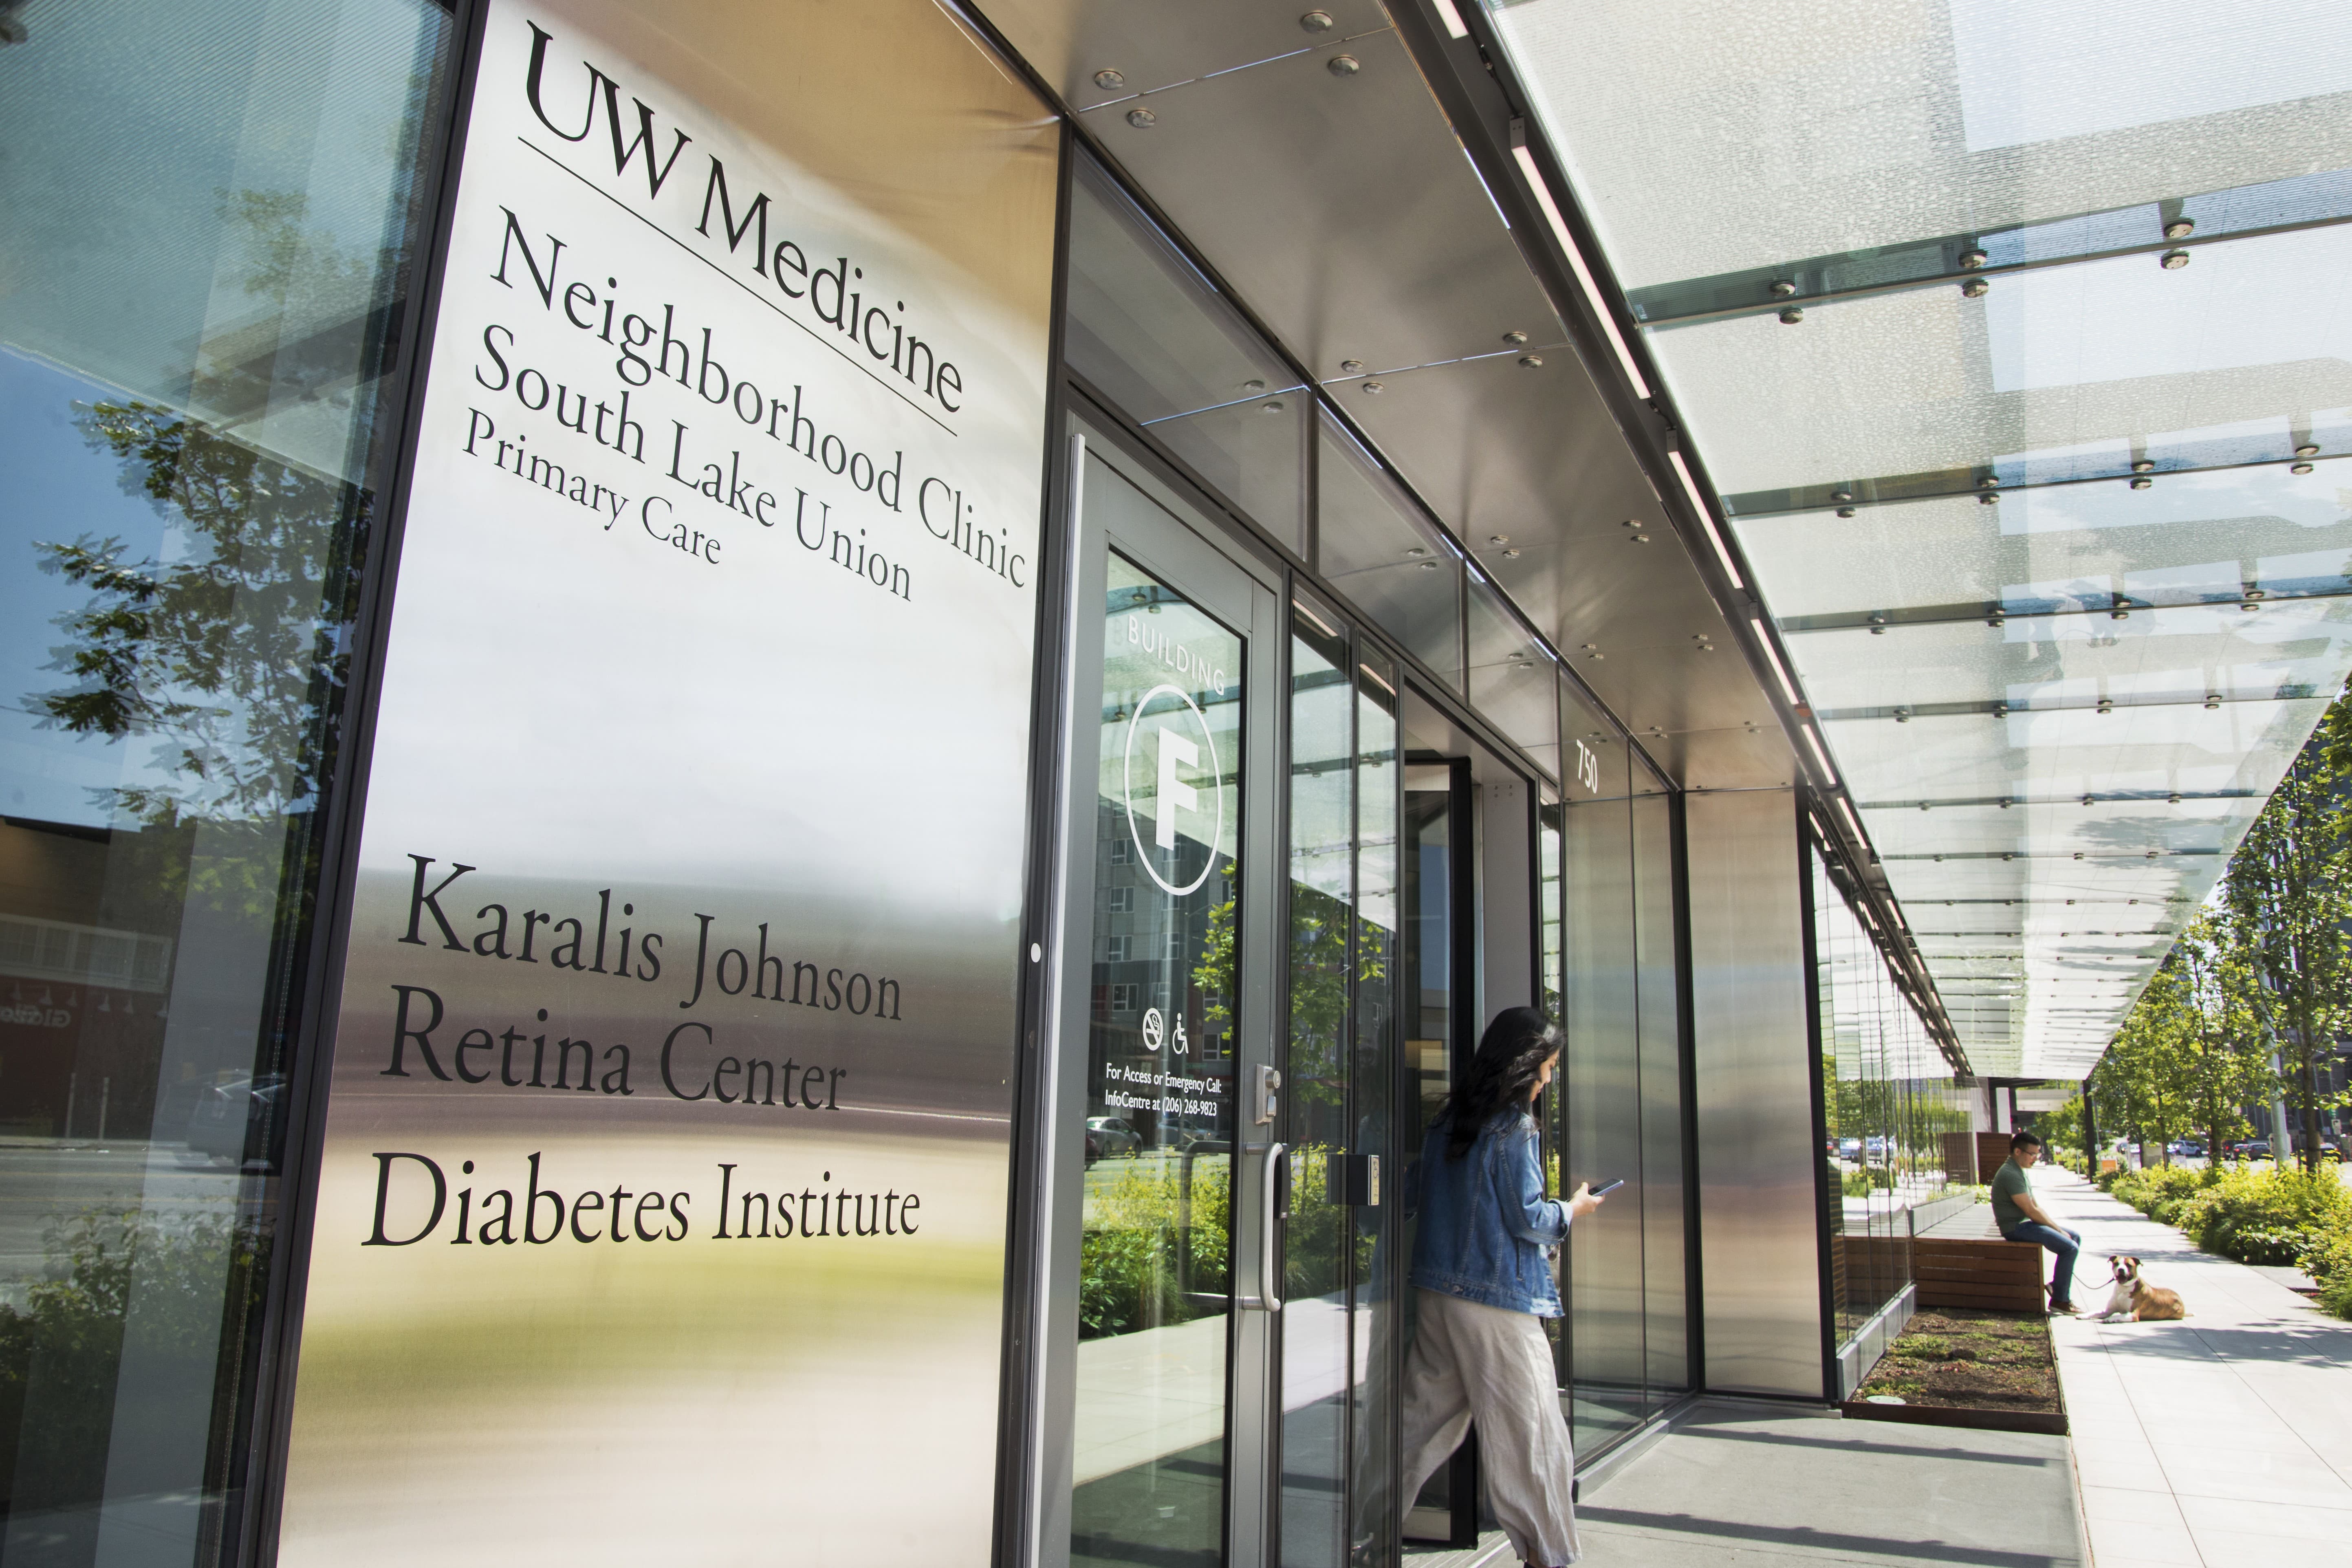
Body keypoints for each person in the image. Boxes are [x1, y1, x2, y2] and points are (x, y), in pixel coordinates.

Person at [1396, 1006, 1603, 1568]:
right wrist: (1575, 1208)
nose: (1549, 1080)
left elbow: (1413, 1196)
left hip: (1438, 1294)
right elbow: (1528, 1219)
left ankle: (1359, 1527)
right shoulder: (1514, 1129)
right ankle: (1549, 1556)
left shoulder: (1445, 1124)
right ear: (1524, 1065)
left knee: (1419, 1428)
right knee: (1533, 1434)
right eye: (1548, 1066)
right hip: (1495, 1303)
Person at [1991, 1131, 2081, 1315]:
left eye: (2037, 1154)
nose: (2035, 1159)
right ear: (2018, 1152)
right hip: (2015, 1228)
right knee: (2070, 1248)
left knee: (2075, 1237)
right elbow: (2031, 1211)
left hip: (2026, 1225)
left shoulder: (2019, 1171)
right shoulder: (2010, 1174)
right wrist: (2057, 1231)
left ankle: (2057, 1288)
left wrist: (2056, 1228)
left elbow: (2036, 1207)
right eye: (2032, 1154)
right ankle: (2060, 1301)